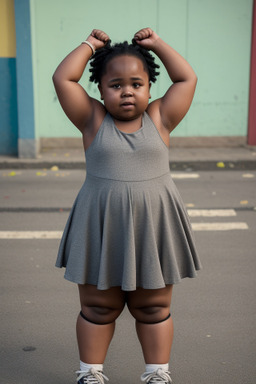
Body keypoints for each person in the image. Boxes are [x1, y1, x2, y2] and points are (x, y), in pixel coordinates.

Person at [53, 28, 202, 384]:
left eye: (136, 83)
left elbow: (186, 77)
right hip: (100, 223)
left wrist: (157, 45)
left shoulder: (160, 118)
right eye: (115, 85)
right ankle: (90, 373)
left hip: (153, 224)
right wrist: (90, 46)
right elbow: (63, 77)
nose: (127, 92)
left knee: (153, 307)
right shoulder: (92, 120)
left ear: (149, 87)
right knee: (97, 307)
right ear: (101, 91)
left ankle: (157, 374)